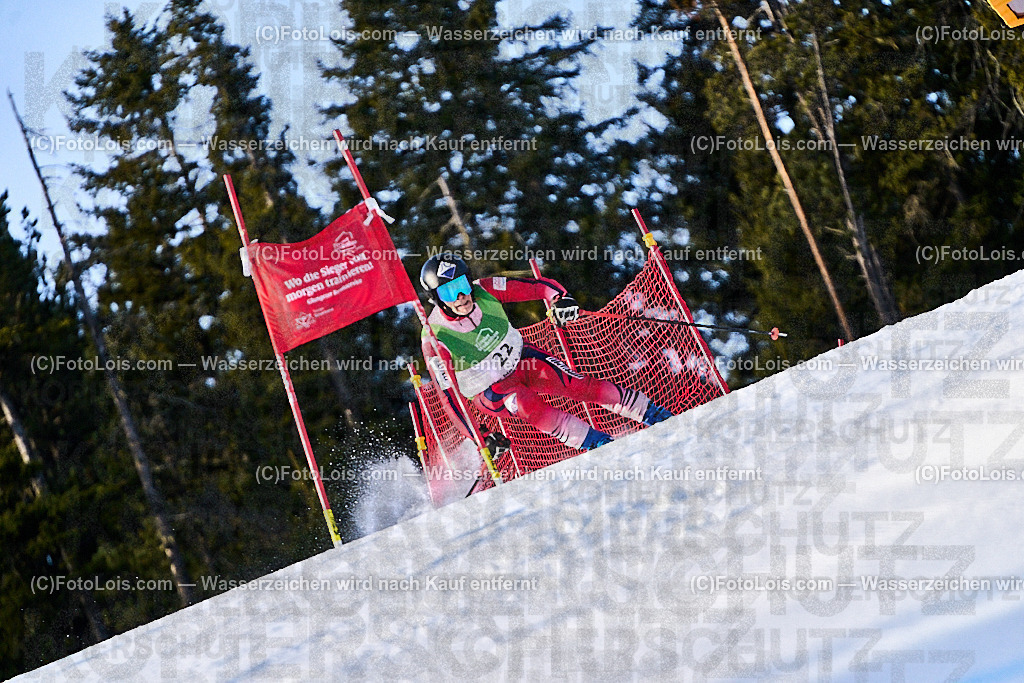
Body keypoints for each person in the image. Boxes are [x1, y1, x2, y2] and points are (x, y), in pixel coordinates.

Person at [418, 253, 673, 456]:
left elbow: (539, 287)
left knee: (577, 384)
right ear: (436, 300)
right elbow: (449, 398)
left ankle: (653, 414)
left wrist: (560, 299)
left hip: (523, 360)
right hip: (490, 391)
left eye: (462, 285)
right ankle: (597, 444)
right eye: (449, 293)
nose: (461, 296)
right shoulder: (436, 338)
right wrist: (479, 438)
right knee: (525, 401)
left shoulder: (484, 290)